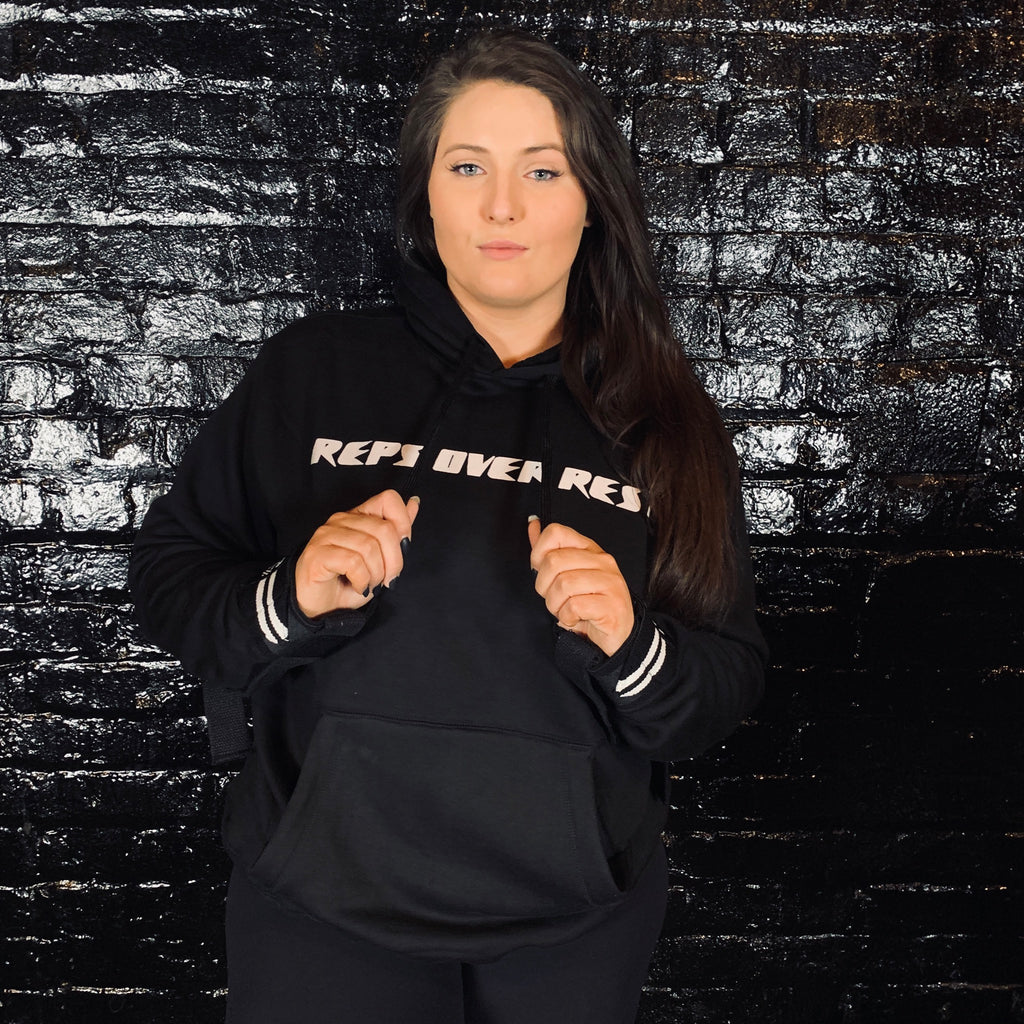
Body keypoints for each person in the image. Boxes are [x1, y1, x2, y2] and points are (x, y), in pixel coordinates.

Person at [129, 28, 767, 1024]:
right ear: (425, 193)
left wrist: (630, 644)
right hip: (319, 909)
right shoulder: (313, 371)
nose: (501, 206)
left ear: (591, 198)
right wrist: (289, 596)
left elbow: (723, 683)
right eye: (467, 167)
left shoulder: (664, 420)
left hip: (570, 919)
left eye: (541, 171)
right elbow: (169, 580)